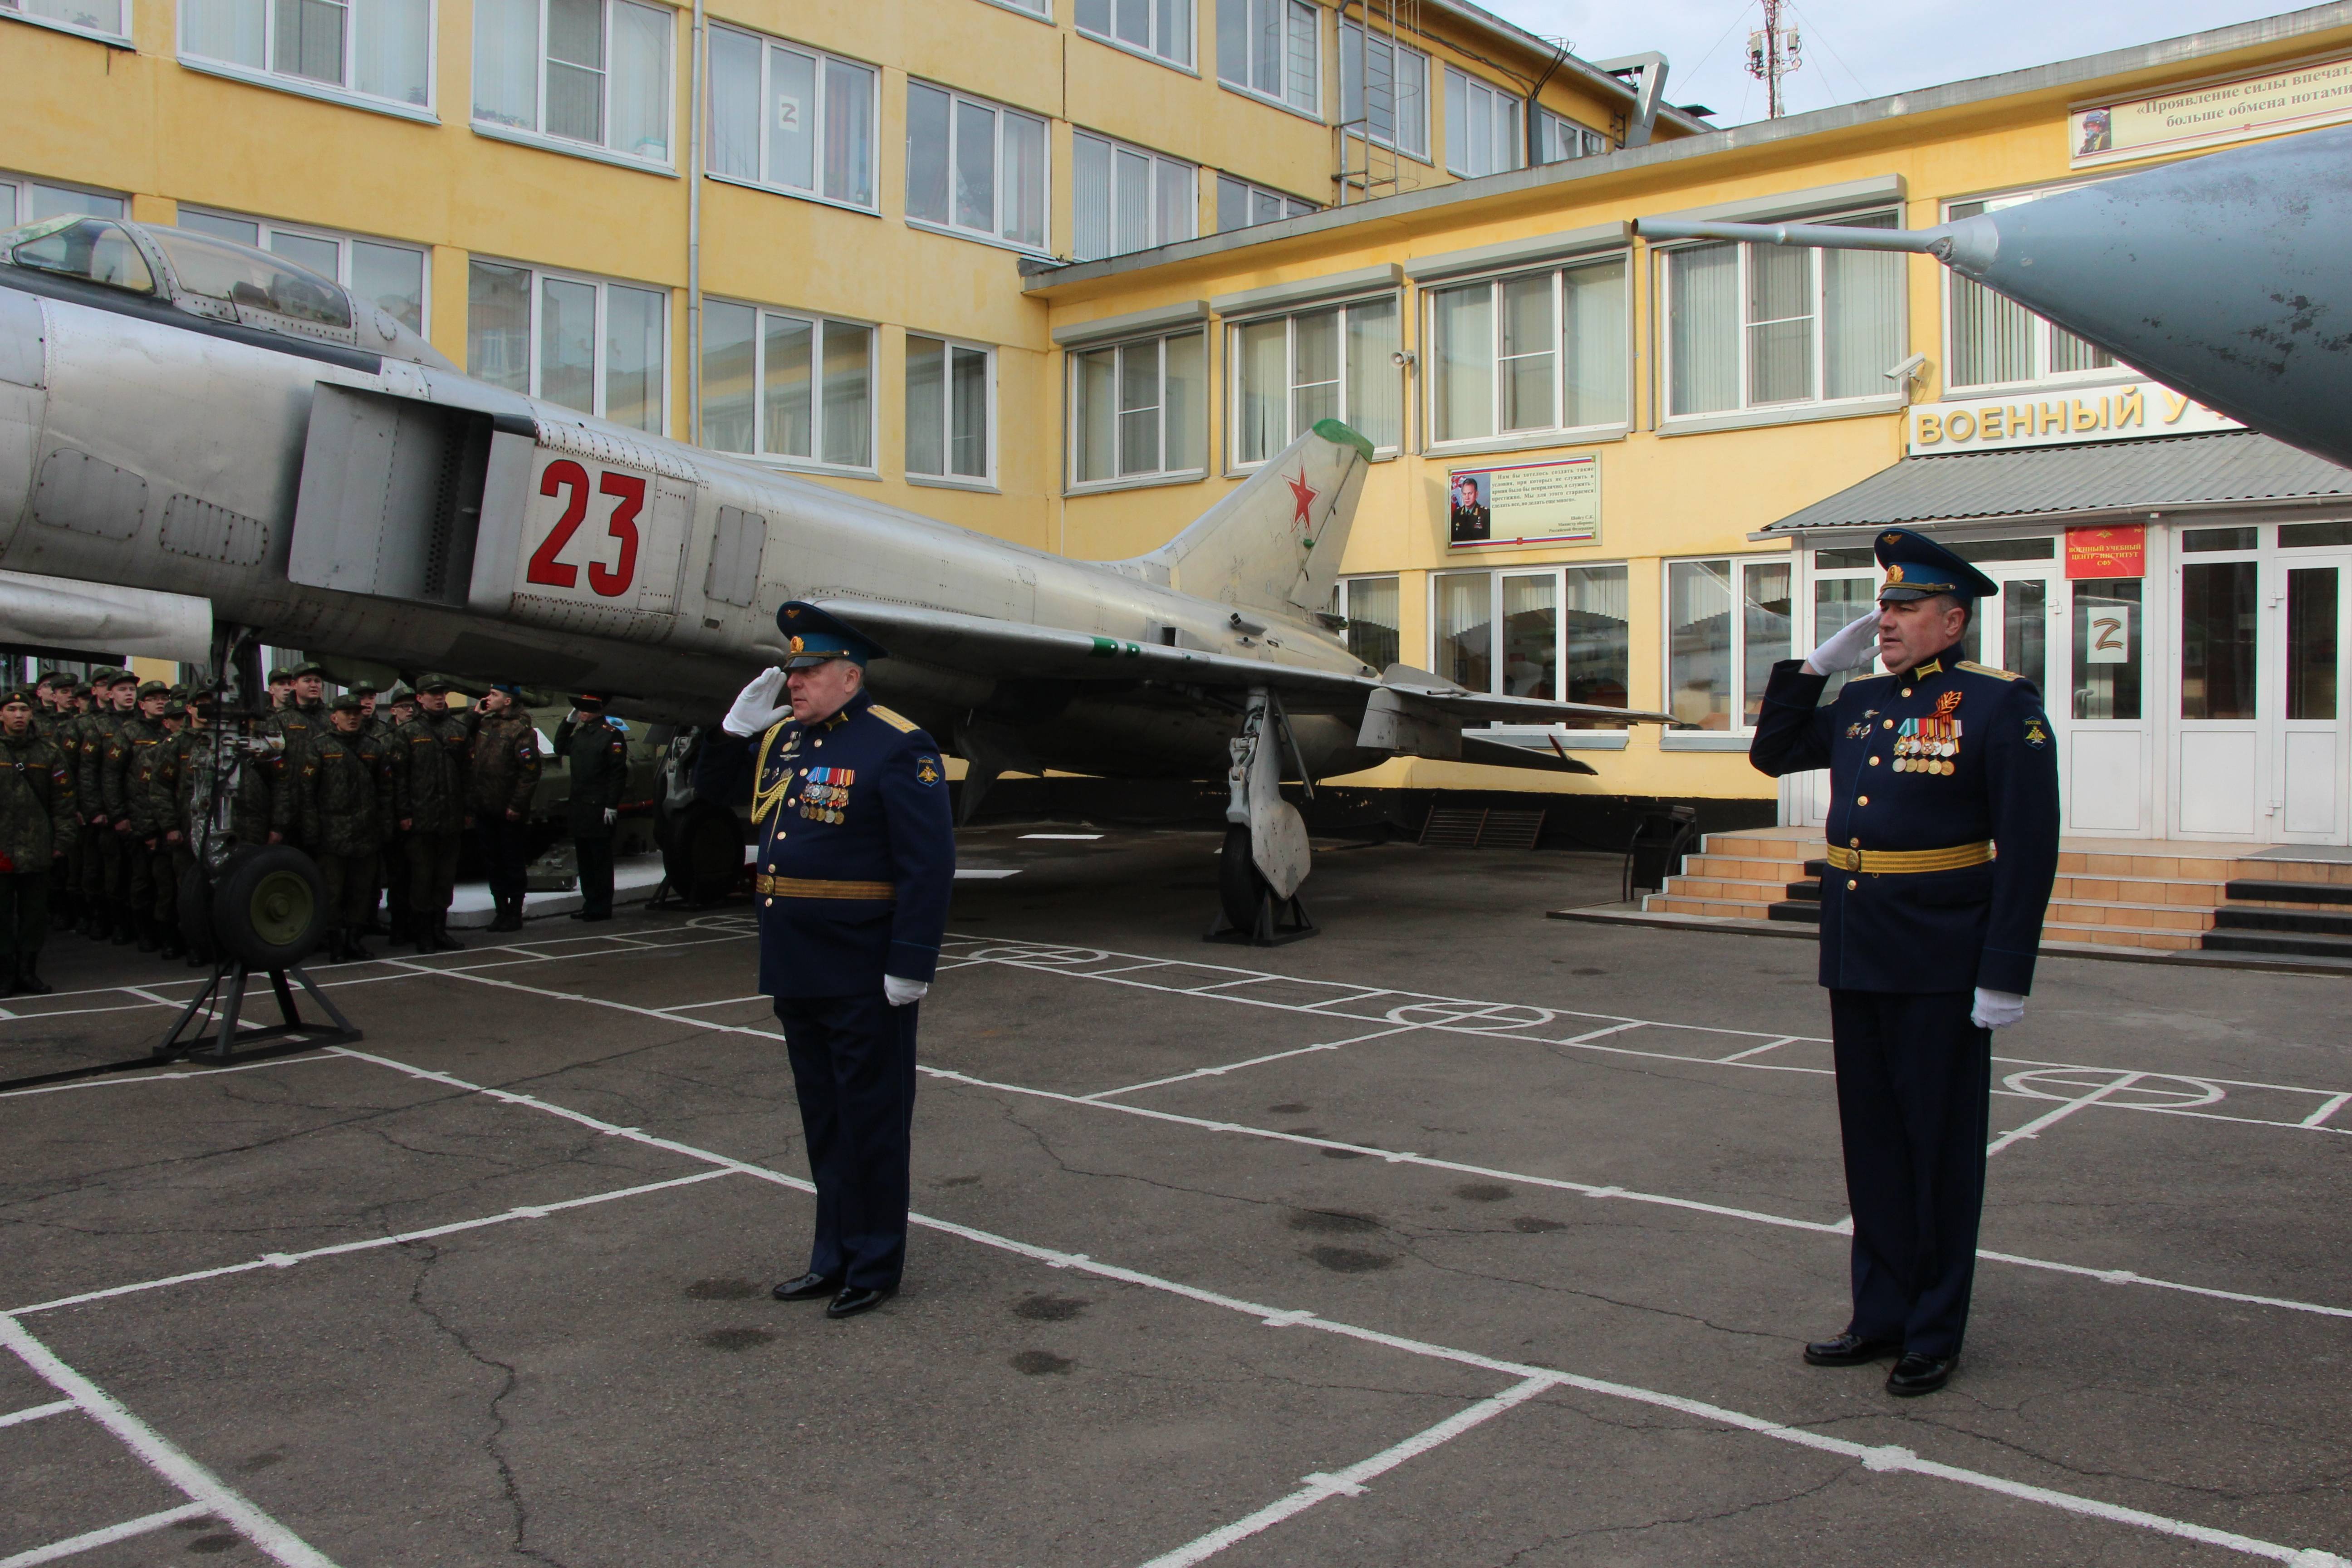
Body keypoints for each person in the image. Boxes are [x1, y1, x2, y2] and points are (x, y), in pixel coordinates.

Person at [1749, 529, 2061, 1398]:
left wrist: (2003, 971)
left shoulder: (1998, 705)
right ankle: (1878, 1314)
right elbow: (1772, 752)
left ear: (1951, 620)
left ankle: (1931, 1329)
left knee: (1938, 1151)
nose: (1884, 621)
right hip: (1858, 949)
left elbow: (2028, 847)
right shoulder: (1861, 701)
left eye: (1905, 607)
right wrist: (1813, 668)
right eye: (1881, 607)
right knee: (1874, 1148)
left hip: (1940, 958)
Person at [696, 602, 956, 1320]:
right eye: (792, 671)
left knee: (871, 1120)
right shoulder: (785, 739)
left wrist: (912, 962)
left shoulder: (897, 745)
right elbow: (718, 798)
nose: (795, 683)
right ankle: (831, 1255)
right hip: (797, 964)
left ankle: (874, 1263)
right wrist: (732, 735)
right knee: (825, 1121)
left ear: (849, 676)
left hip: (863, 968)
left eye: (809, 672)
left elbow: (928, 866)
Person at [300, 692, 393, 962]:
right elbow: (307, 793)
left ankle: (354, 940)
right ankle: (335, 943)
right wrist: (312, 830)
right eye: (346, 714)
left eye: (356, 713)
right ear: (334, 717)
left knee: (361, 891)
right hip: (332, 834)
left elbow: (386, 790)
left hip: (366, 832)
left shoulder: (374, 747)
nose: (353, 718)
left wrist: (385, 826)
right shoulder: (319, 747)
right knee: (332, 892)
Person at [0, 689, 76, 994]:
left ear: (32, 714)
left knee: (34, 915)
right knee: (1, 915)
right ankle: (5, 974)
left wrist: (63, 840)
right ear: (1, 714)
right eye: (12, 709)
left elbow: (64, 800)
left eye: (24, 710)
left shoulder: (48, 752)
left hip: (37, 846)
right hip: (1, 849)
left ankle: (27, 971)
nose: (18, 715)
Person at [391, 675, 471, 951]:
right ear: (420, 698)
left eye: (442, 693)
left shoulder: (458, 730)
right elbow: (399, 779)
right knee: (422, 879)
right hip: (421, 819)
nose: (439, 698)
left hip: (450, 818)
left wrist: (468, 810)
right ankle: (423, 933)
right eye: (433, 694)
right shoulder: (408, 732)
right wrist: (404, 813)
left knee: (445, 878)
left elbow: (467, 775)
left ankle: (440, 930)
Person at [467, 683, 541, 932]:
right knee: (493, 863)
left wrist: (516, 805)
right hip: (485, 807)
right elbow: (461, 741)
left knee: (512, 862)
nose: (488, 698)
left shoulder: (521, 730)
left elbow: (530, 773)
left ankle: (514, 913)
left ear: (508, 701)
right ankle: (500, 911)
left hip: (507, 810)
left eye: (494, 695)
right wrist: (473, 716)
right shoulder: (486, 724)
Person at [106, 680, 174, 951]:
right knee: (141, 878)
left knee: (166, 881)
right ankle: (143, 931)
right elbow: (111, 776)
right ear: (142, 704)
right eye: (154, 699)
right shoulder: (129, 731)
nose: (160, 703)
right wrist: (118, 815)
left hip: (167, 816)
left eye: (164, 698)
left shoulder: (172, 731)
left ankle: (166, 931)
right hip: (138, 815)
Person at [554, 695, 628, 923]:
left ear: (598, 710)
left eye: (585, 709)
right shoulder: (581, 733)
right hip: (580, 806)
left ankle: (602, 906)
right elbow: (559, 747)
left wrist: (612, 805)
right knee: (585, 860)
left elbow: (617, 774)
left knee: (600, 860)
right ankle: (590, 903)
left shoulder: (611, 735)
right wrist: (569, 722)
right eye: (579, 709)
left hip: (599, 808)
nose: (581, 713)